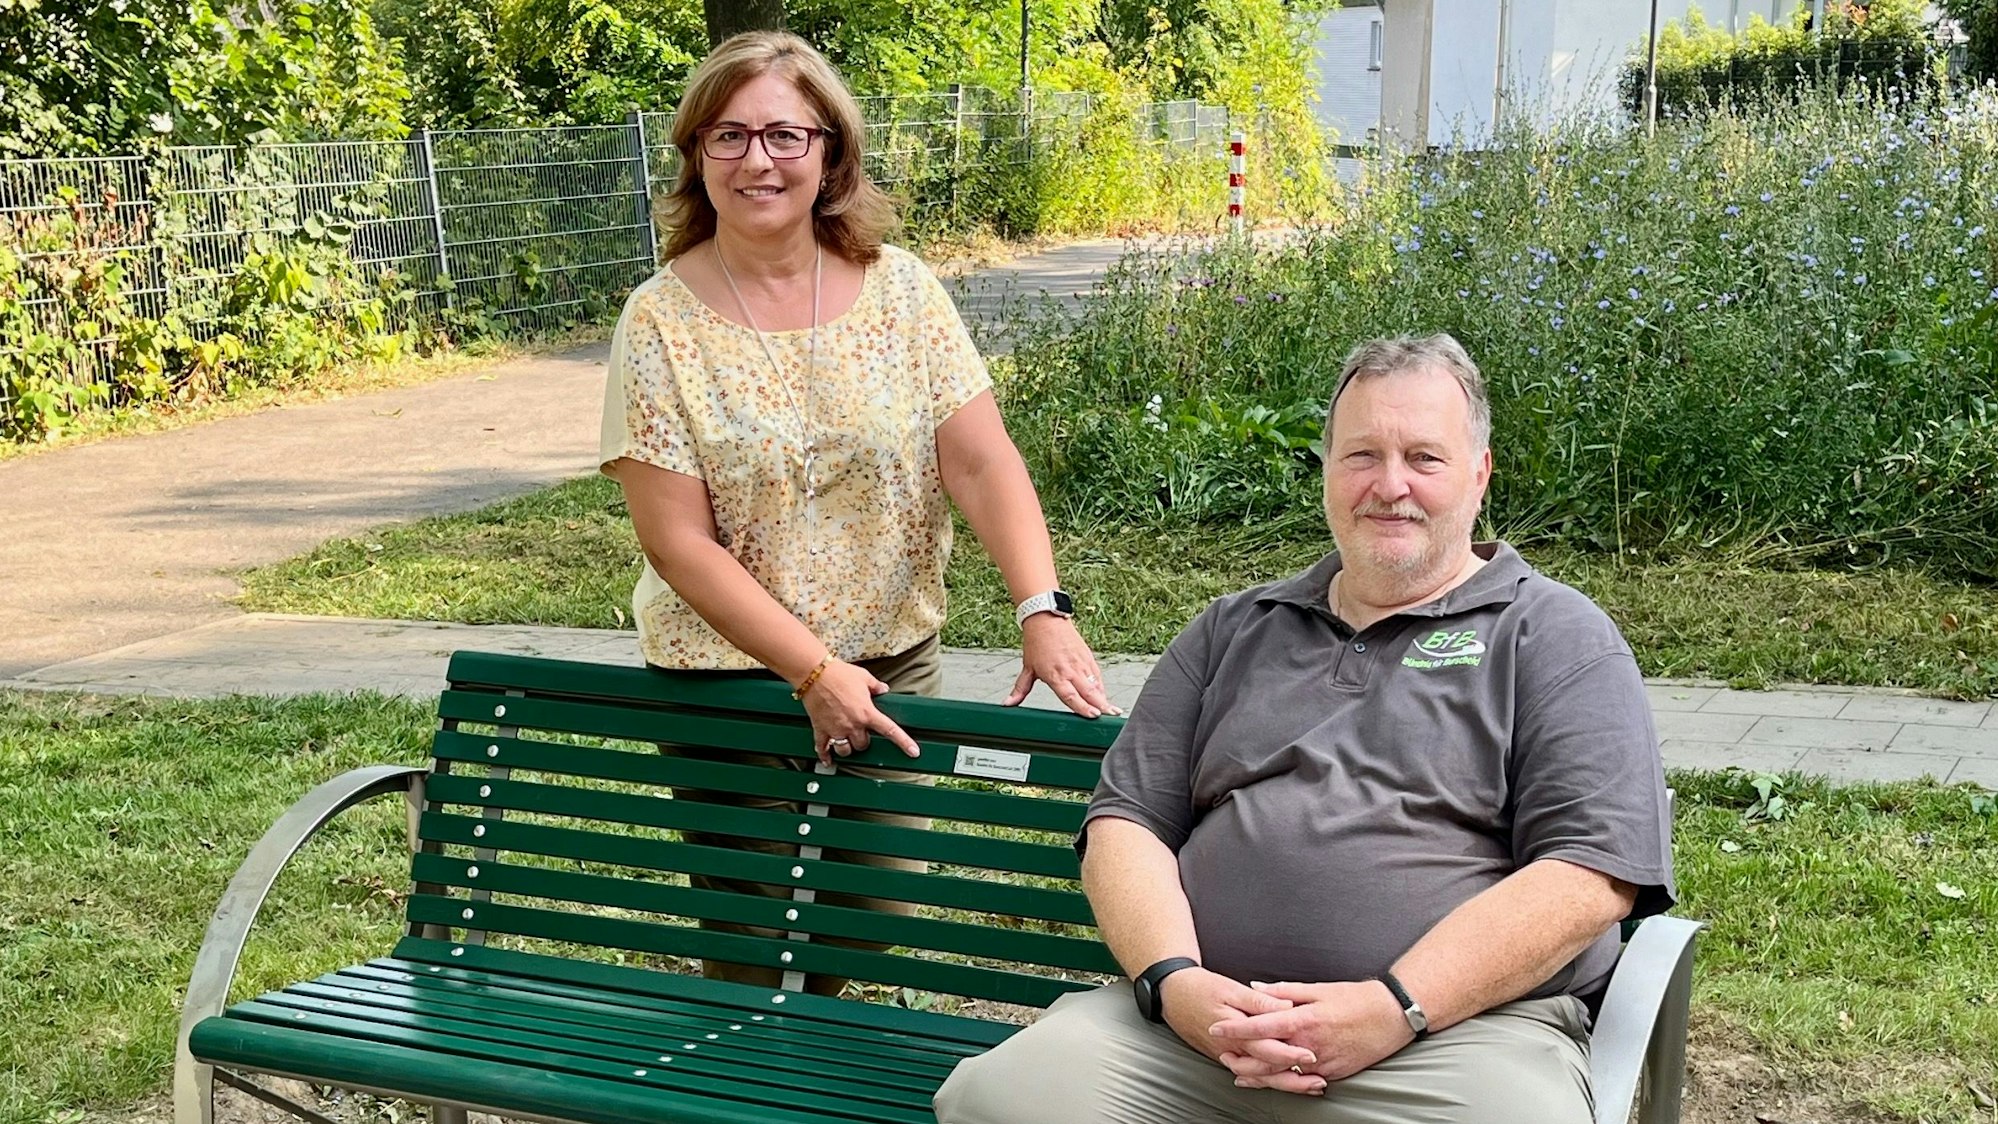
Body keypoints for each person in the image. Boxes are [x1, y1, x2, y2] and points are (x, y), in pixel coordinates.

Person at [933, 333, 1676, 1123]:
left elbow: (1588, 876)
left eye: (1425, 458)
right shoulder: (1234, 628)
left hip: (1453, 1041)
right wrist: (1176, 986)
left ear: (1480, 475)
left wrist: (1397, 1008)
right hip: (1194, 1036)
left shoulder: (1556, 635)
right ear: (1326, 470)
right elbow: (1126, 824)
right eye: (1362, 455)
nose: (1390, 486)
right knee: (998, 1101)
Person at [598, 30, 1115, 994]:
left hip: (889, 665)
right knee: (754, 948)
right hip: (726, 683)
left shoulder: (903, 292)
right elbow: (676, 541)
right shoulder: (658, 319)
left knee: (862, 922)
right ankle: (762, 1086)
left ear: (830, 153)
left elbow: (980, 458)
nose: (758, 160)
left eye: (786, 136)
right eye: (728, 136)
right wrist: (811, 670)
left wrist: (1042, 607)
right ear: (695, 155)